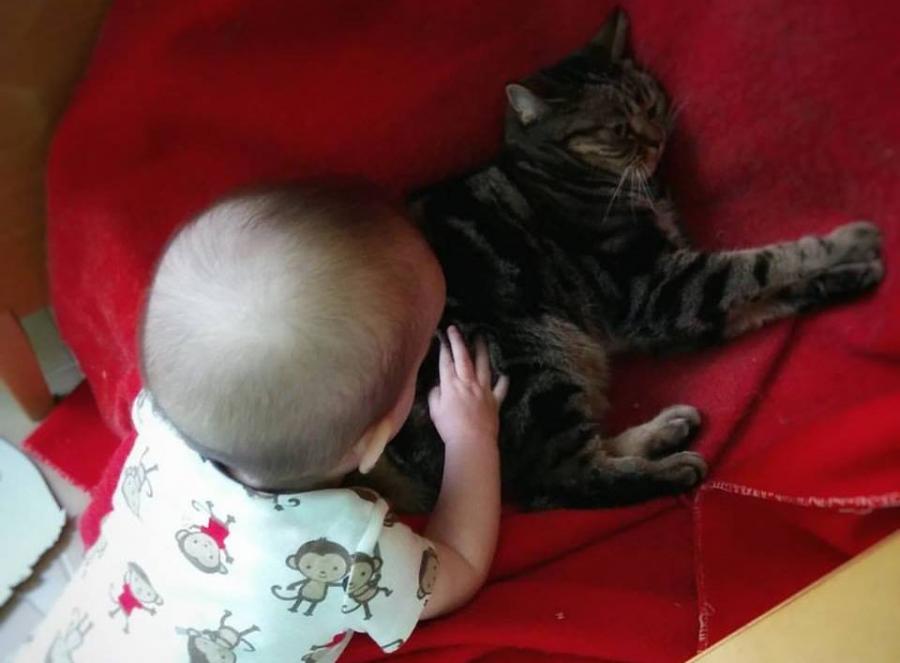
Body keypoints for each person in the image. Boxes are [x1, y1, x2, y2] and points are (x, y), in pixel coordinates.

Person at [15, 184, 508, 662]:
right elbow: (460, 565)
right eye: (420, 359)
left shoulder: (158, 422)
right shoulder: (351, 552)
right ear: (373, 440)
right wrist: (471, 437)